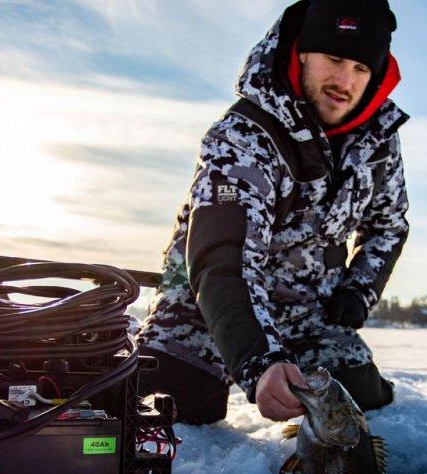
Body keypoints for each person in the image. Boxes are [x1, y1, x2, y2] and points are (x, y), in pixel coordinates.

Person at [137, 0, 408, 424]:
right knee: (176, 408)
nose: (344, 80)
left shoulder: (377, 145)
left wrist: (359, 291)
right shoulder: (243, 134)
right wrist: (259, 360)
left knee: (360, 398)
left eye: (360, 69)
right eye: (334, 59)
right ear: (302, 52)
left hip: (306, 312)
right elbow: (223, 255)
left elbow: (388, 225)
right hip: (207, 305)